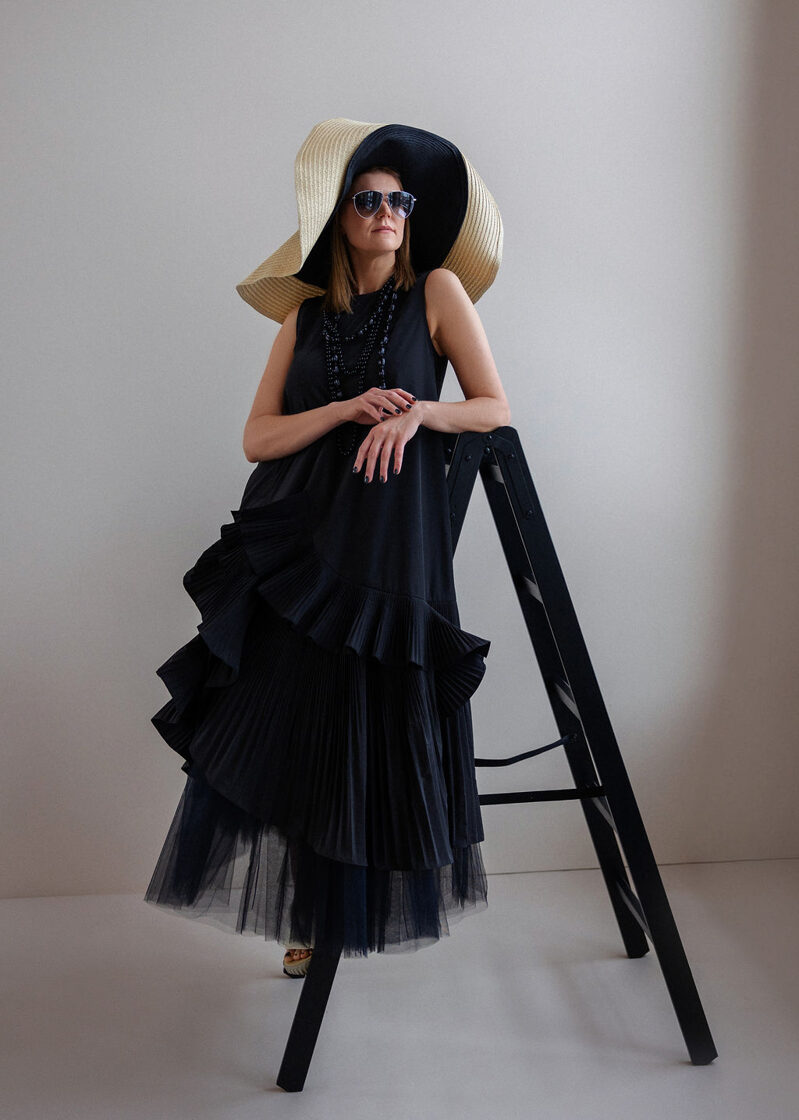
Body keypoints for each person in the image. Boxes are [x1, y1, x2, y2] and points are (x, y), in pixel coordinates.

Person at [144, 118, 510, 980]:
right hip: (299, 543)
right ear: (339, 218)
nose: (387, 213)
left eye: (400, 202)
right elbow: (258, 438)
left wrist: (420, 414)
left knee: (372, 718)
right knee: (295, 725)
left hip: (386, 542)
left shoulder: (437, 292)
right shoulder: (304, 317)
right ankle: (309, 915)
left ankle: (349, 909)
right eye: (368, 200)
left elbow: (494, 407)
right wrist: (344, 410)